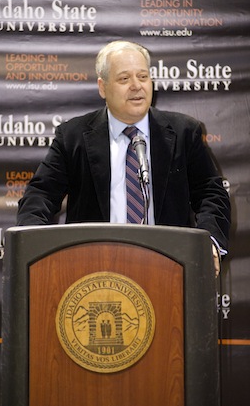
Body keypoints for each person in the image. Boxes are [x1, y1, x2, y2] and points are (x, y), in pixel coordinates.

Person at [17, 40, 231, 276]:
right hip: (93, 271)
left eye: (143, 76)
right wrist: (31, 244)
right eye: (124, 79)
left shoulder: (183, 132)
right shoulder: (73, 135)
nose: (136, 86)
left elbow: (211, 192)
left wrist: (208, 243)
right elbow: (42, 194)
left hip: (169, 268)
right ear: (102, 87)